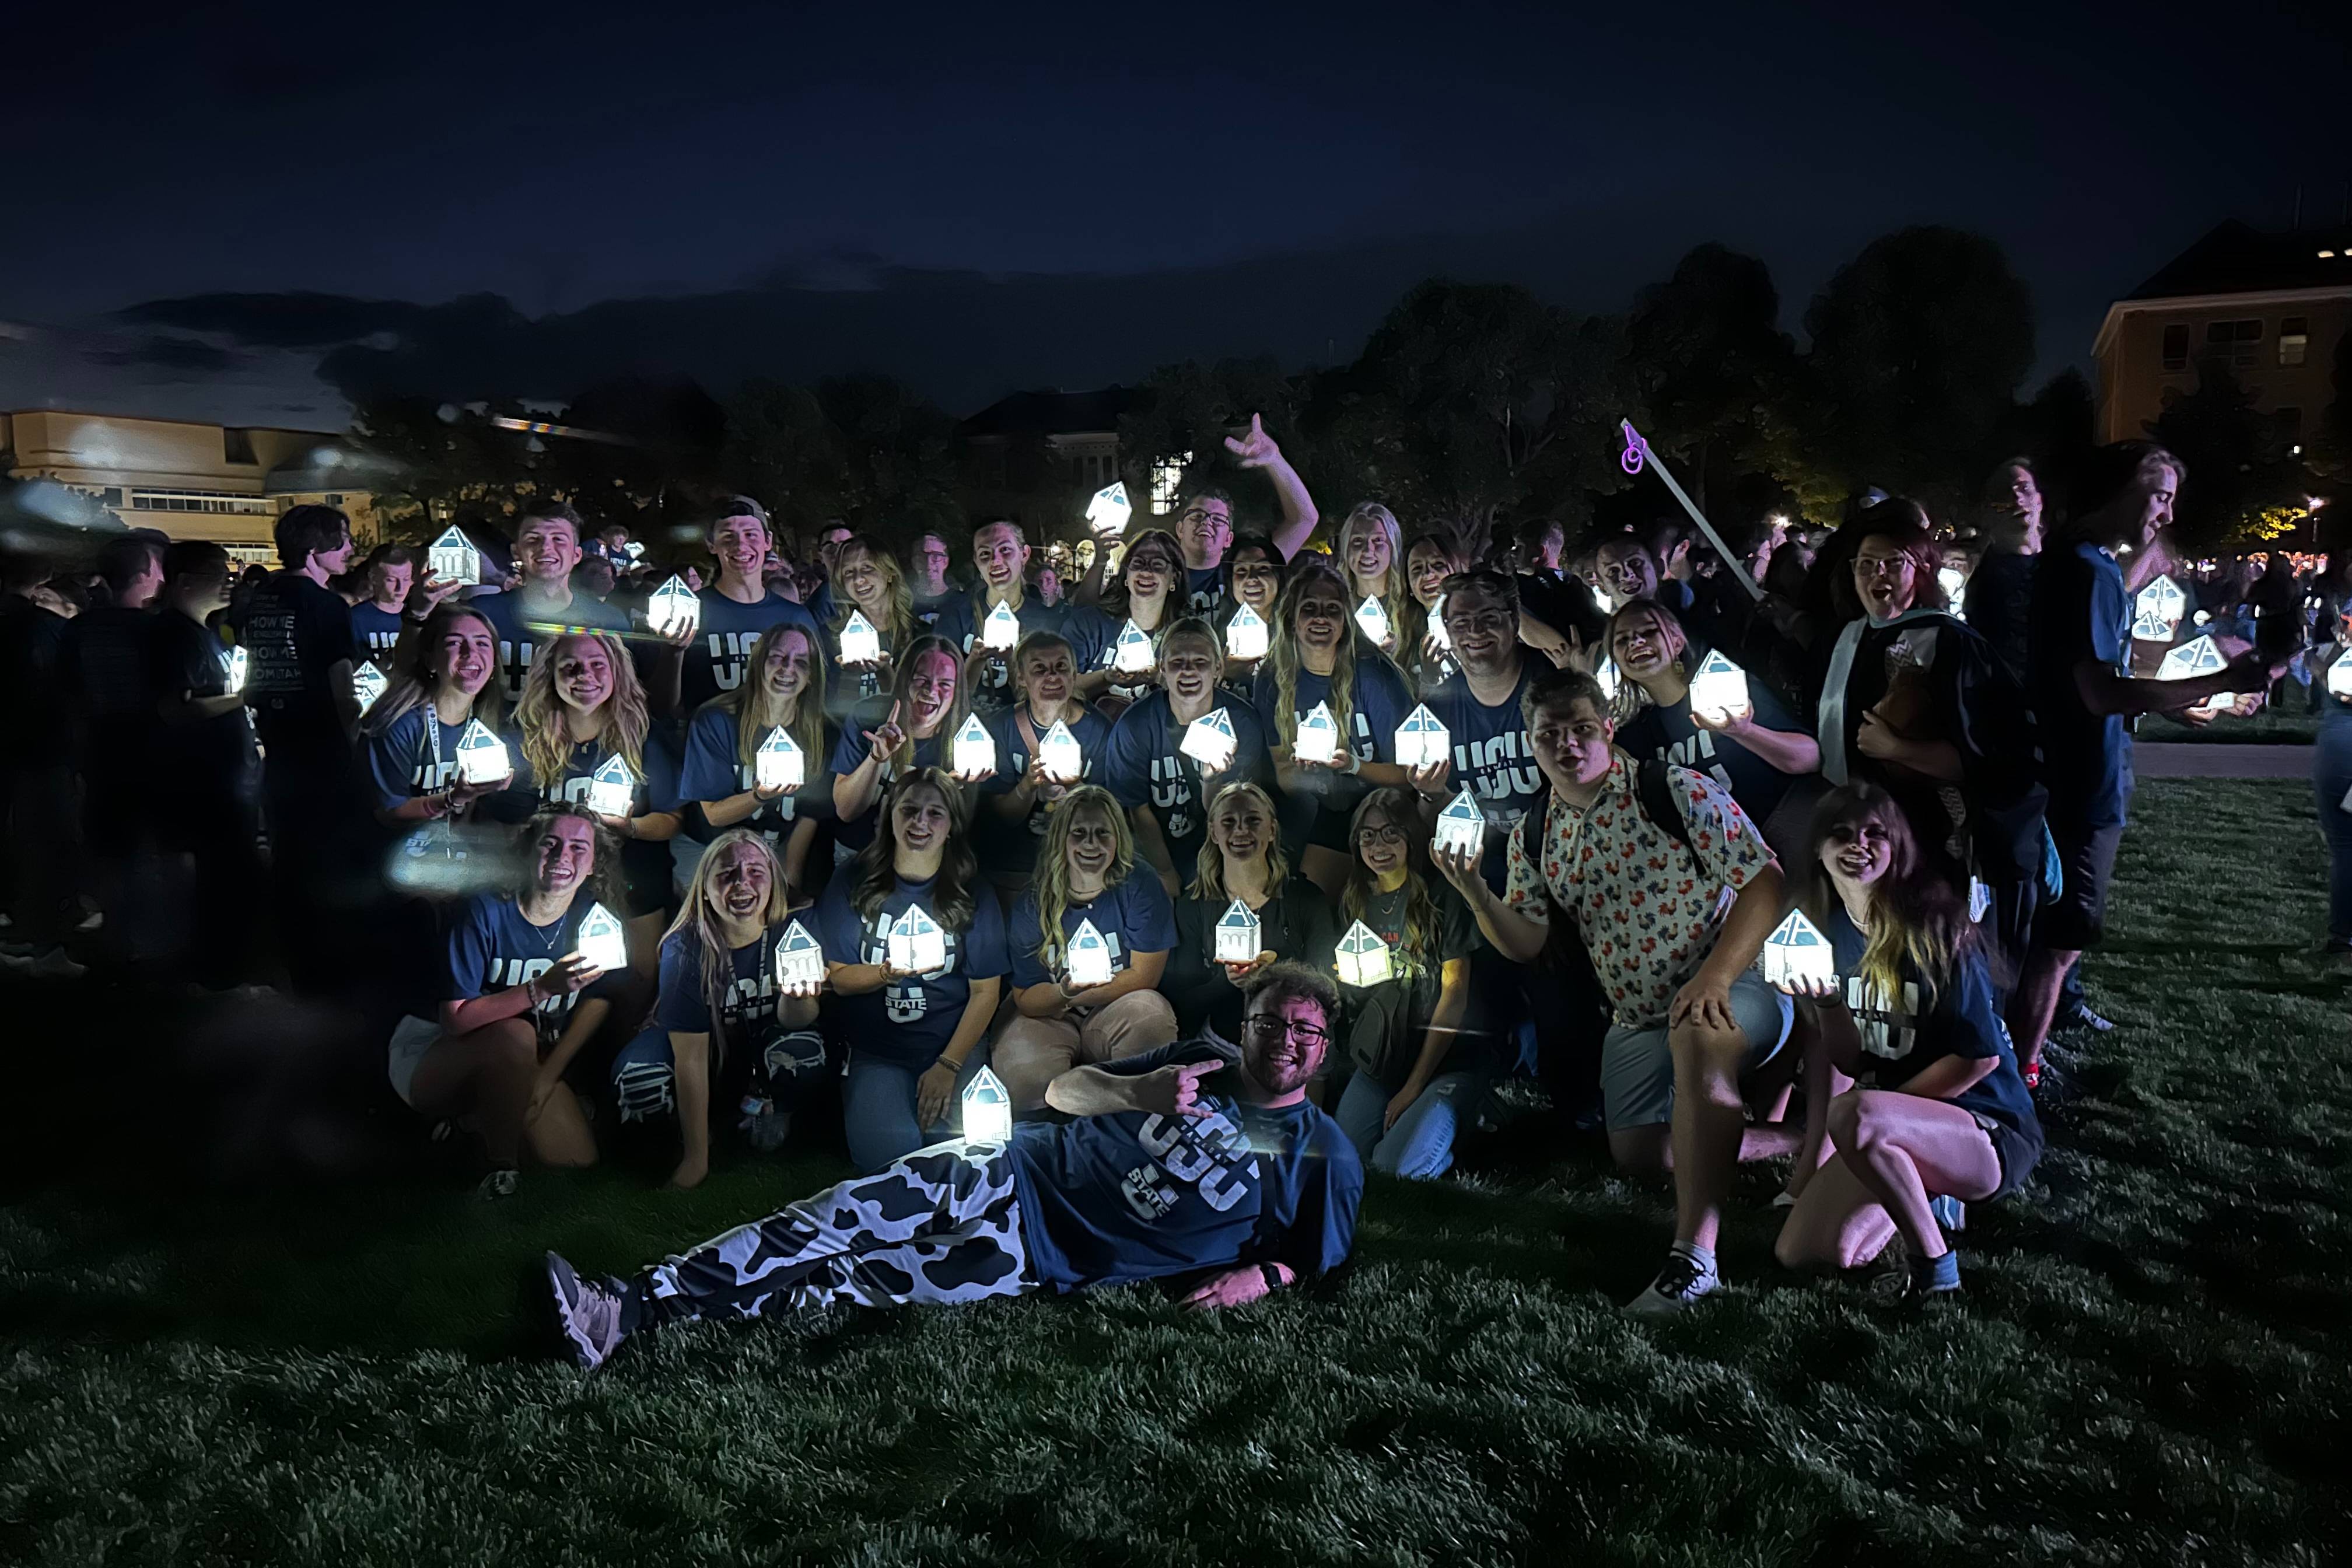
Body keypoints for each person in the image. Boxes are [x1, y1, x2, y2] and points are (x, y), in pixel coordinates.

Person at [543, 961, 1362, 1369]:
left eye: (1304, 1032)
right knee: (828, 1221)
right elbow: (1067, 1090)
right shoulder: (1197, 1063)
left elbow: (1317, 1260)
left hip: (1040, 1259)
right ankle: (627, 1302)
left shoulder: (1325, 1150)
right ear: (1244, 1022)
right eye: (1269, 1023)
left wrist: (1266, 1279)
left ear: (1325, 1047)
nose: (1284, 1043)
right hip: (1008, 1171)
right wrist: (1137, 1089)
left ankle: (631, 1329)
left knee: (845, 1284)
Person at [1433, 668, 1792, 1314]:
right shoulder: (1535, 835)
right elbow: (1528, 942)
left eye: (1579, 730)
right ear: (1532, 743)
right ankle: (1787, 1140)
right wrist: (1475, 892)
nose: (1567, 746)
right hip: (1636, 1016)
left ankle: (1694, 1259)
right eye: (1550, 735)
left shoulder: (1672, 789)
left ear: (1607, 729)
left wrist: (1715, 977)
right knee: (1637, 1155)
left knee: (1698, 1035)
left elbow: (1766, 881)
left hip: (1734, 986)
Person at [2014, 443, 2282, 1085]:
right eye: (2159, 495)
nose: (2167, 513)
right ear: (2117, 488)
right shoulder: (2087, 571)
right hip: (2081, 786)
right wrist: (2216, 679)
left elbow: (2095, 684)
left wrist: (2180, 701)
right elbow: (2101, 692)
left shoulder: (2078, 564)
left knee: (2048, 938)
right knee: (2061, 941)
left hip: (2066, 773)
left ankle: (2014, 1058)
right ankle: (2016, 1077)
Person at [1771, 783, 2042, 1298]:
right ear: (1819, 848)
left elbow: (1978, 1061)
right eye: (1842, 833)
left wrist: (1883, 1114)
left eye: (1877, 834)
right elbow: (1853, 1058)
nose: (1859, 845)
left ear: (1899, 848)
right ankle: (1922, 1188)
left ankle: (1935, 1266)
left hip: (1986, 1128)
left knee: (1853, 1114)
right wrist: (1827, 1002)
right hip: (1892, 1124)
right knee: (1802, 1252)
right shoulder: (1819, 932)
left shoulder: (1935, 927)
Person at [382, 806, 616, 1198]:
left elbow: (599, 999)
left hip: (524, 1059)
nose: (562, 859)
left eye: (579, 848)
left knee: (576, 1158)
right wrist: (541, 989)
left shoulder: (593, 919)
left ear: (594, 863)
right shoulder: (484, 910)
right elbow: (455, 1020)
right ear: (528, 851)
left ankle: (469, 1125)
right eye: (550, 844)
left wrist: (548, 1076)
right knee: (515, 1035)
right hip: (433, 1048)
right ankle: (501, 1169)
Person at [811, 768, 1009, 1171]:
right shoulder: (853, 881)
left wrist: (948, 1066)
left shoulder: (972, 891)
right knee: (892, 1163)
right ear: (890, 817)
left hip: (953, 1044)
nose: (921, 822)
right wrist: (887, 973)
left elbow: (985, 992)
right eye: (910, 810)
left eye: (935, 813)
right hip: (879, 1051)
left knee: (974, 1158)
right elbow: (841, 979)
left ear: (952, 825)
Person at [608, 830, 827, 1189]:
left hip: (765, 1046)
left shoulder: (794, 929)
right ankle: (688, 1133)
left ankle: (776, 1114)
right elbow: (691, 1058)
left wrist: (797, 996)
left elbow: (798, 1022)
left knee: (806, 1051)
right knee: (639, 1079)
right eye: (727, 874)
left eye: (756, 871)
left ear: (773, 881)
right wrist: (697, 1160)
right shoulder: (686, 947)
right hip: (702, 1052)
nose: (742, 883)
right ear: (705, 889)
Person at [228, 503, 362, 988]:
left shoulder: (259, 599)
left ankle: (290, 955)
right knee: (326, 854)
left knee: (288, 854)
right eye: (341, 541)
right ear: (314, 550)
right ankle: (325, 963)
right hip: (321, 746)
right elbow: (341, 686)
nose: (350, 550)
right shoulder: (325, 605)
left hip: (276, 742)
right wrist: (355, 747)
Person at [995, 786, 1182, 1110]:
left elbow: (1144, 977)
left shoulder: (1139, 884)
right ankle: (1052, 1140)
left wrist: (1070, 994)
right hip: (1049, 1015)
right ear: (1062, 840)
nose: (1091, 844)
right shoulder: (1033, 902)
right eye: (1079, 833)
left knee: (1150, 1018)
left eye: (1102, 834)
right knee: (1026, 1079)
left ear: (1118, 839)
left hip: (1116, 1006)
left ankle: (1128, 1123)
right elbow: (1027, 998)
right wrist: (1064, 994)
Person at [1332, 788, 1486, 1178]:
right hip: (1385, 1057)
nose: (1378, 846)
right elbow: (1358, 993)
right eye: (1368, 835)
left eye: (1390, 834)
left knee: (1397, 1169)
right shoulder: (1355, 901)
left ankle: (1462, 1113)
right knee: (1346, 1160)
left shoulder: (1441, 897)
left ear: (1411, 838)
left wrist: (1414, 1086)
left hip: (1446, 1060)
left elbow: (1455, 993)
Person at [514, 631, 684, 970]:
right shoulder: (526, 740)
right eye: (570, 666)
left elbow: (672, 819)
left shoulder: (645, 736)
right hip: (553, 882)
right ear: (550, 674)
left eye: (597, 665)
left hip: (632, 878)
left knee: (637, 977)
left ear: (616, 672)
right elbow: (510, 822)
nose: (584, 676)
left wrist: (630, 827)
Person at [1608, 597, 1819, 861]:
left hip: (1790, 834)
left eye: (1649, 631)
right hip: (1728, 860)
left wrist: (1745, 732)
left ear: (1676, 642)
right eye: (1622, 640)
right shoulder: (1637, 735)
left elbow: (1810, 758)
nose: (1636, 642)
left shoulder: (1727, 687)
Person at [1254, 562, 1416, 894]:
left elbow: (1408, 777)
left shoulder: (1374, 676)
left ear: (1346, 621)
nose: (1321, 618)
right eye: (1309, 608)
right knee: (1310, 892)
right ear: (1292, 618)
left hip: (1387, 806)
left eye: (1333, 610)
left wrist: (1354, 765)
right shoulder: (1273, 678)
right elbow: (1282, 769)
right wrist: (1309, 776)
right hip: (1326, 807)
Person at [146, 542, 265, 985]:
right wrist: (239, 699)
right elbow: (173, 709)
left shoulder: (206, 633)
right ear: (184, 582)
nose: (229, 582)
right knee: (219, 883)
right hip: (206, 786)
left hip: (229, 782)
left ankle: (225, 969)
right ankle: (217, 975)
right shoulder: (172, 636)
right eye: (219, 573)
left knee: (232, 879)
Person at [1101, 617, 1274, 897]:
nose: (1188, 672)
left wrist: (1211, 780)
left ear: (1218, 668)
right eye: (1178, 663)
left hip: (1223, 847)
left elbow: (1233, 814)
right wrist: (1165, 872)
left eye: (1200, 662)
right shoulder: (1136, 726)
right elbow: (1138, 811)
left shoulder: (1241, 722)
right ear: (1162, 670)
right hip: (1155, 848)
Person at [1165, 780, 1338, 1040]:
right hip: (1220, 1044)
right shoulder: (1194, 905)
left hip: (1294, 1042)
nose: (1241, 830)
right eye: (1229, 822)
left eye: (1253, 820)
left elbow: (1327, 991)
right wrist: (1226, 982)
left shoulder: (1306, 899)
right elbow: (1183, 1002)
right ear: (1213, 833)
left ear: (1272, 830)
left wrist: (1273, 973)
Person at [678, 621, 835, 904]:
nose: (788, 669)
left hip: (779, 846)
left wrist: (787, 889)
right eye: (777, 658)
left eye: (801, 662)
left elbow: (808, 819)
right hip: (712, 844)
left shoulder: (822, 733)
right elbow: (714, 814)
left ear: (812, 675)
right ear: (759, 663)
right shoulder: (716, 720)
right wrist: (758, 796)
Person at [360, 603, 516, 838]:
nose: (471, 653)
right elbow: (389, 814)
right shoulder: (399, 724)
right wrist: (454, 798)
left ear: (494, 663)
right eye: (454, 643)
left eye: (482, 643)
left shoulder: (491, 722)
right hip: (386, 856)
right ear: (431, 661)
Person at [830, 633, 995, 856]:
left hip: (926, 859)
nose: (931, 691)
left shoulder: (969, 737)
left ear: (957, 693)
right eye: (922, 679)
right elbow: (846, 811)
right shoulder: (867, 715)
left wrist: (954, 790)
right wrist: (877, 758)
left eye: (945, 684)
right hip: (860, 853)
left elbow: (961, 833)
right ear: (905, 680)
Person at [977, 630, 1113, 898]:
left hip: (1078, 862)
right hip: (1015, 863)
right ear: (1021, 678)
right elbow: (1001, 818)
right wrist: (1028, 785)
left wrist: (1075, 787)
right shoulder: (1000, 728)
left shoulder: (1099, 731)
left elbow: (1109, 815)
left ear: (1074, 676)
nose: (1052, 676)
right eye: (1040, 669)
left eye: (1061, 667)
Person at [467, 503, 631, 704]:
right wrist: (419, 616)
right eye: (533, 539)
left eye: (558, 540)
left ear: (577, 555)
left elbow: (632, 695)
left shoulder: (609, 621)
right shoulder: (481, 614)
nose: (545, 547)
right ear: (516, 551)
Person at [678, 498, 824, 714]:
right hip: (709, 743)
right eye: (728, 536)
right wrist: (672, 654)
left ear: (768, 541)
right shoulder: (689, 613)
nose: (741, 546)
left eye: (750, 534)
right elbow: (665, 705)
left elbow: (815, 698)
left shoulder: (795, 617)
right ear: (711, 544)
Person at [930, 520, 1063, 710]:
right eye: (985, 554)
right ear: (977, 562)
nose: (996, 561)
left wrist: (1012, 662)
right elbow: (939, 689)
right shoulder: (956, 615)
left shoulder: (1047, 622)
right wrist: (975, 661)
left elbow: (1049, 698)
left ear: (1024, 554)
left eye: (1005, 550)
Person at [1066, 527, 1184, 707]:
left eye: (1158, 565)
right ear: (1126, 575)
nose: (1146, 572)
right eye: (1138, 563)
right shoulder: (1090, 624)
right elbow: (1058, 686)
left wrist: (1159, 677)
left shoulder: (1184, 636)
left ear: (1174, 578)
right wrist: (1106, 677)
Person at [825, 534, 919, 712]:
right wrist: (849, 676)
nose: (858, 579)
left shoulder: (919, 634)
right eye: (848, 572)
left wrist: (884, 672)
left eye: (867, 568)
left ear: (890, 573)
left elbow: (913, 710)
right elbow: (834, 709)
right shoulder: (831, 637)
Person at [1335, 502, 1413, 662]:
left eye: (1378, 540)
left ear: (1392, 546)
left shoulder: (1411, 603)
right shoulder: (1336, 604)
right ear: (1346, 549)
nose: (1367, 550)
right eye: (1358, 541)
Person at [1401, 528, 1468, 692]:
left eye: (1438, 564)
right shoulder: (1403, 641)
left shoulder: (1480, 625)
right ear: (1409, 585)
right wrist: (1430, 678)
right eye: (1417, 569)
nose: (1428, 573)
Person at [348, 544, 416, 660]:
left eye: (406, 579)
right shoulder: (354, 619)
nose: (401, 587)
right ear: (373, 578)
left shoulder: (418, 618)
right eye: (391, 580)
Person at [905, 530, 960, 625]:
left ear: (946, 562)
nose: (929, 562)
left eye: (935, 556)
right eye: (921, 556)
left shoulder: (963, 603)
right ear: (914, 561)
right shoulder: (903, 605)